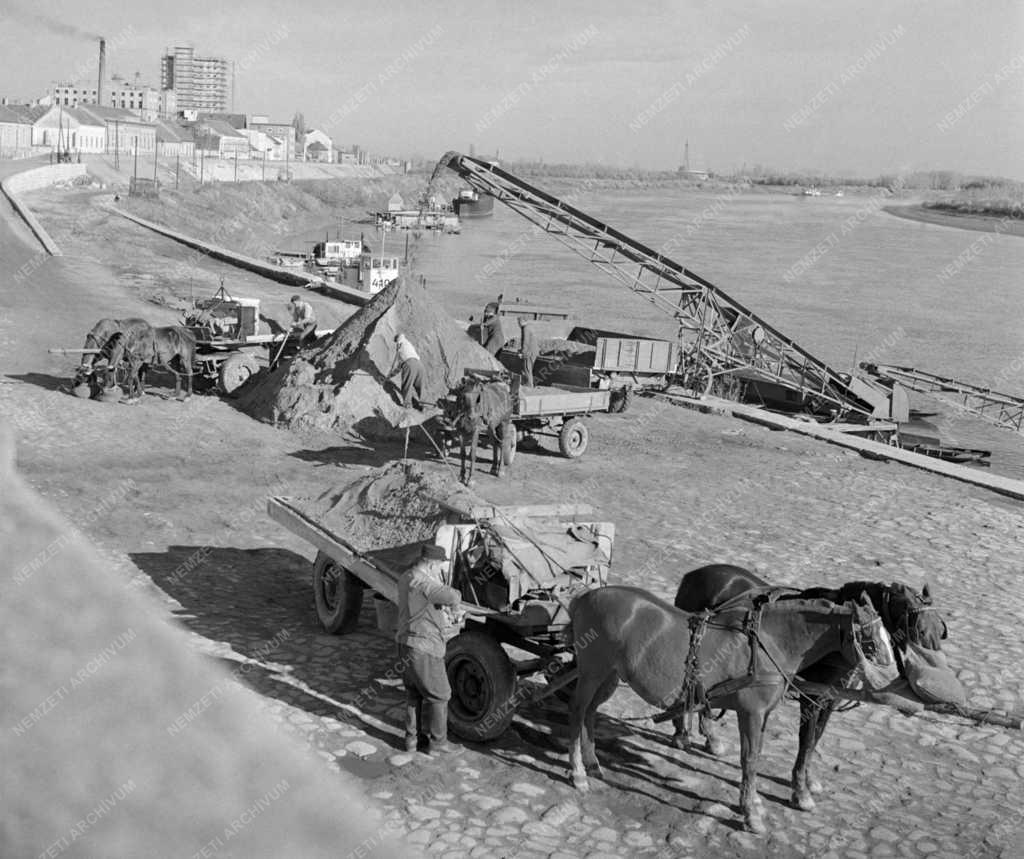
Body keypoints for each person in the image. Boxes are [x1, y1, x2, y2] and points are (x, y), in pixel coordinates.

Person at [395, 544, 463, 755]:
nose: (440, 570)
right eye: (439, 566)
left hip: (404, 643)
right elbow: (453, 595)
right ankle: (438, 743)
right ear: (432, 563)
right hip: (424, 646)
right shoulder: (425, 583)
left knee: (413, 693)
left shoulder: (406, 576)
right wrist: (455, 608)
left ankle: (411, 740)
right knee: (441, 695)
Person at [389, 332, 424, 409]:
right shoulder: (408, 344)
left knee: (407, 384)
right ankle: (424, 404)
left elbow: (399, 365)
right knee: (420, 386)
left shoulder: (400, 345)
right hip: (419, 364)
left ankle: (407, 404)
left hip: (409, 364)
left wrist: (391, 374)